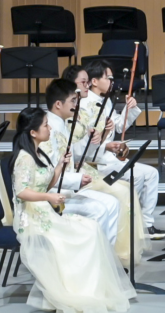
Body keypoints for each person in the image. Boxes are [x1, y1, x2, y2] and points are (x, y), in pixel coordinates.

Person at [9, 106, 135, 313]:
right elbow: (22, 192)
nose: (49, 128)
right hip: (32, 218)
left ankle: (89, 287)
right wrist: (49, 197)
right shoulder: (25, 158)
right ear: (33, 132)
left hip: (44, 212)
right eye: (45, 125)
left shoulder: (38, 152)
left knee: (92, 228)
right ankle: (77, 290)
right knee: (85, 234)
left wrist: (60, 165)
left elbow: (46, 183)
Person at [78, 60, 165, 242]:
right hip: (95, 160)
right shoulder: (85, 104)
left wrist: (129, 108)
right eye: (108, 78)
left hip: (109, 156)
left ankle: (146, 224)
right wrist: (106, 145)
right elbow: (84, 142)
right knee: (138, 176)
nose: (112, 82)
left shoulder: (105, 101)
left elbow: (119, 125)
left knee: (151, 173)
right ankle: (129, 224)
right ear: (94, 81)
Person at [37, 79, 125, 254]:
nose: (76, 105)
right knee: (99, 209)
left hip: (68, 187)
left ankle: (106, 257)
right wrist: (77, 179)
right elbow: (47, 175)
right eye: (73, 101)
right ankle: (93, 257)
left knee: (113, 203)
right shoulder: (47, 130)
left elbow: (78, 154)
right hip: (54, 194)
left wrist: (92, 141)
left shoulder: (63, 124)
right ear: (58, 104)